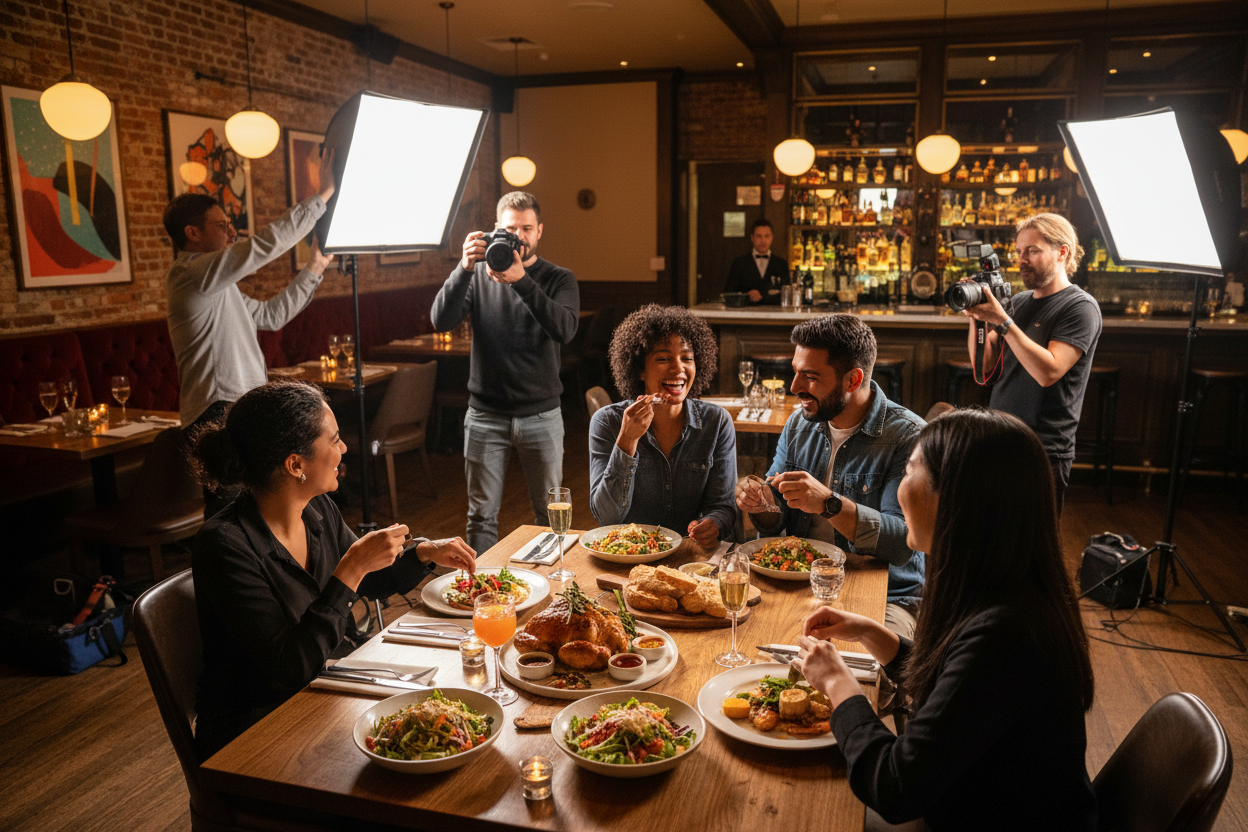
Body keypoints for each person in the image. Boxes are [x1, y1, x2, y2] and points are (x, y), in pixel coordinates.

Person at [794, 408, 1097, 831]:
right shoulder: (1010, 593)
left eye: (909, 470)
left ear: (958, 498)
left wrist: (836, 683)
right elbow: (959, 690)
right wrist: (874, 634)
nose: (900, 489)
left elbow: (895, 787)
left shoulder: (1007, 634)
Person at [188, 380, 476, 761]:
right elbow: (290, 666)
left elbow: (368, 581)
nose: (343, 449)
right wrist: (351, 568)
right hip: (257, 735)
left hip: (324, 691)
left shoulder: (316, 509)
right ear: (296, 465)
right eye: (335, 439)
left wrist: (421, 553)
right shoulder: (225, 545)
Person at [164, 150, 338, 517]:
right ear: (192, 233)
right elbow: (260, 248)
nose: (231, 231)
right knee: (231, 518)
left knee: (255, 513)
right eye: (220, 225)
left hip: (239, 405)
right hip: (216, 410)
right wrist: (322, 196)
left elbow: (272, 315)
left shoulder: (215, 285)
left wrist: (314, 268)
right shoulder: (191, 275)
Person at [736, 314, 925, 639]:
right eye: (795, 372)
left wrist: (829, 503)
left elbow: (902, 544)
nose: (794, 387)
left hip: (885, 594)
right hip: (795, 583)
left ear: (852, 380)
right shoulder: (799, 424)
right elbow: (775, 519)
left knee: (869, 673)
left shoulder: (908, 436)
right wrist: (759, 504)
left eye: (809, 376)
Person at [430, 192, 579, 554]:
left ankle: (550, 592)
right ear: (497, 231)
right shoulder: (479, 274)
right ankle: (480, 594)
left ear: (539, 231)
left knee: (549, 516)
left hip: (541, 414)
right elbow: (440, 321)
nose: (520, 236)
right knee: (481, 518)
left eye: (527, 228)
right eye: (511, 229)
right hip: (485, 415)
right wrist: (463, 267)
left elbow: (565, 329)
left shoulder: (559, 277)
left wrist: (520, 280)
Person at [961, 213, 1102, 512]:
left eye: (1033, 251)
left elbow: (1048, 371)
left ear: (1062, 252)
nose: (1022, 259)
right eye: (1020, 251)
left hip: (1043, 450)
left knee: (1032, 549)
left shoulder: (1080, 307)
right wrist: (978, 318)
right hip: (999, 438)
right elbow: (984, 365)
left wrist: (1002, 320)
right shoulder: (1019, 302)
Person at [589, 305, 737, 548]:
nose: (678, 368)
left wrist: (714, 523)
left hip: (692, 555)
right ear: (640, 370)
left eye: (687, 358)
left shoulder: (717, 421)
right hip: (633, 555)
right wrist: (627, 441)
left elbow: (723, 506)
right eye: (663, 358)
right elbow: (607, 517)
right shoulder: (608, 421)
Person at [725, 218, 788, 305]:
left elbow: (787, 294)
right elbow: (729, 293)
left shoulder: (781, 264)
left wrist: (764, 296)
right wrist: (747, 296)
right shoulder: (739, 263)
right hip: (744, 315)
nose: (763, 241)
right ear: (752, 238)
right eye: (759, 236)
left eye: (767, 236)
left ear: (772, 237)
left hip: (774, 315)